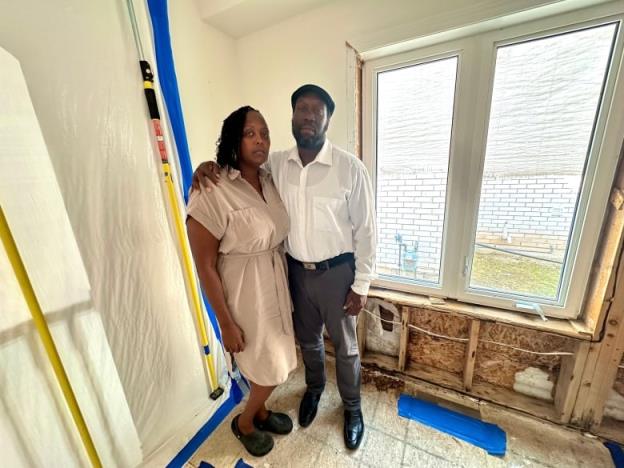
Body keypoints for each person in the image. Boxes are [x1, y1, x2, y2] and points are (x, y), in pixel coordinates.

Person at [192, 85, 375, 450]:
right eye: (301, 109)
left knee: (346, 347)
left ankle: (352, 408)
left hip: (338, 273)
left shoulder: (349, 168)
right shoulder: (276, 165)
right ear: (292, 117)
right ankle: (314, 390)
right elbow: (233, 171)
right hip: (293, 273)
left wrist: (363, 283)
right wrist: (205, 165)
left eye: (317, 110)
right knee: (307, 342)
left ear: (327, 119)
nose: (308, 115)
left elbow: (368, 228)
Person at [186, 106, 297, 457]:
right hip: (244, 292)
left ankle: (261, 411)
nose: (260, 139)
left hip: (275, 282)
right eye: (250, 133)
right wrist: (225, 322)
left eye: (264, 132)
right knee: (269, 365)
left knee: (272, 357)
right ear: (234, 139)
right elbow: (204, 264)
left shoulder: (270, 179)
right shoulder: (211, 188)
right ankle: (245, 422)